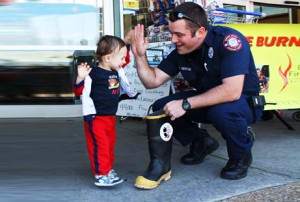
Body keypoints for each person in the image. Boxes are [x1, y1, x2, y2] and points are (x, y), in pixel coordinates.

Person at [131, 2, 264, 189]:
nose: (173, 40)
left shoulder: (229, 40)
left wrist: (185, 104)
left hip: (242, 102)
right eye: (171, 33)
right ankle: (201, 142)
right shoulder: (181, 51)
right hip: (207, 100)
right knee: (161, 108)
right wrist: (139, 57)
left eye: (179, 34)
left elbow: (232, 91)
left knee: (222, 112)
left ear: (200, 32)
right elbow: (151, 81)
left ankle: (240, 154)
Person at [73, 35, 137, 187]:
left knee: (108, 145)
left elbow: (125, 59)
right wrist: (80, 78)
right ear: (108, 58)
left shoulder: (116, 69)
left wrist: (127, 43)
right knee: (99, 146)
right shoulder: (93, 74)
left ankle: (107, 169)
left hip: (109, 117)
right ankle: (101, 174)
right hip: (96, 118)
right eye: (121, 58)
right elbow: (78, 91)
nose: (124, 61)